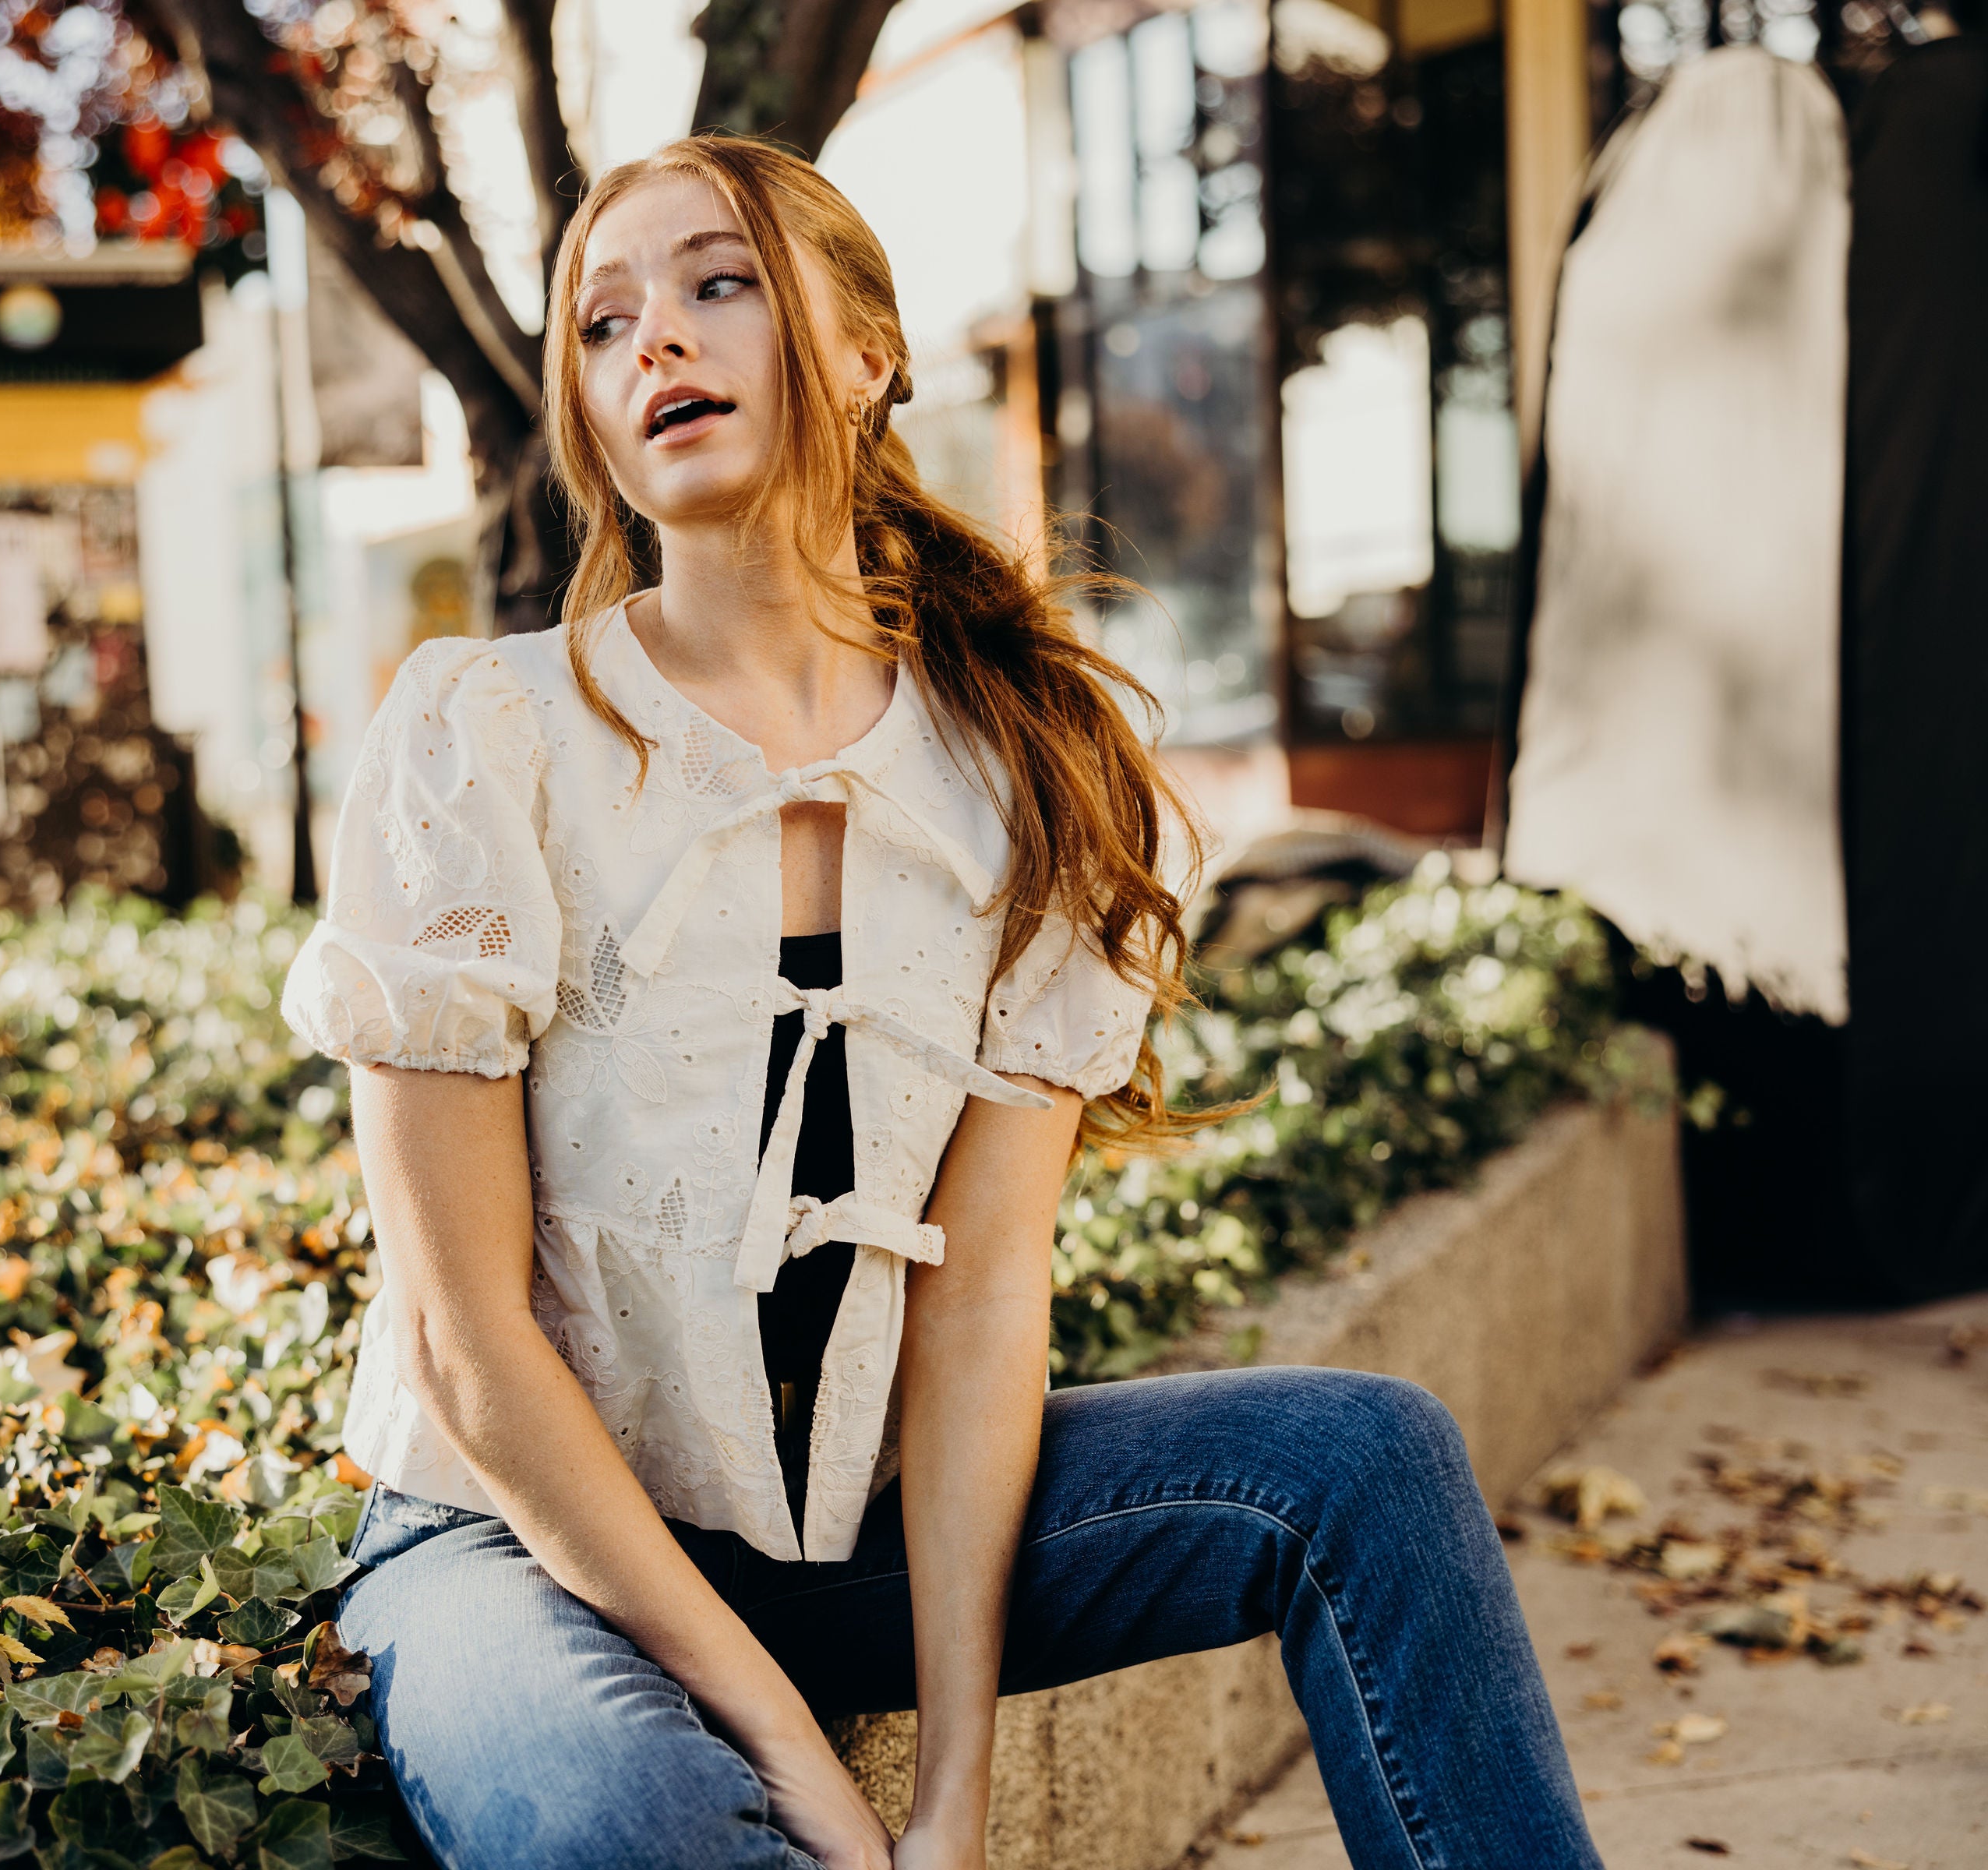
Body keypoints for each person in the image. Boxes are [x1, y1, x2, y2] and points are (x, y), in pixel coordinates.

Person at [280, 135, 1598, 1870]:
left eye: (716, 283)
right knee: (633, 1814)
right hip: (511, 1544)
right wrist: (798, 1753)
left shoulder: (1021, 769)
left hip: (860, 1535)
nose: (652, 344)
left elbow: (978, 1307)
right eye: (601, 327)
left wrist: (952, 1788)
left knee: (1366, 1465)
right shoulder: (490, 737)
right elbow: (465, 1345)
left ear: (864, 352)